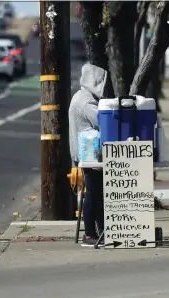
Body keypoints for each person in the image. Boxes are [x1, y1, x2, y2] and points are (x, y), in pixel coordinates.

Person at [69, 63, 109, 247]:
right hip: (90, 154)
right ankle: (91, 233)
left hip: (81, 152)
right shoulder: (87, 103)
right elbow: (103, 122)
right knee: (94, 193)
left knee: (96, 192)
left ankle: (100, 230)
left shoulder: (79, 96)